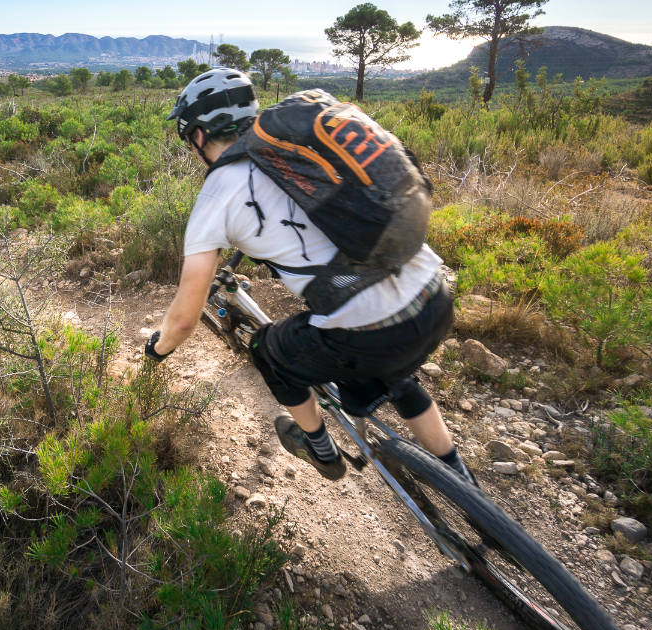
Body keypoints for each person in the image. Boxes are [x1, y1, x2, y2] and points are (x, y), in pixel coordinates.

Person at [144, 68, 475, 484]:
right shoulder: (299, 147)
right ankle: (462, 480)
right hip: (434, 295)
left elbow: (184, 319)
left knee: (269, 352)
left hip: (371, 334)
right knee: (394, 371)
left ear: (199, 136)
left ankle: (319, 448)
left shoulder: (217, 194)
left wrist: (157, 352)